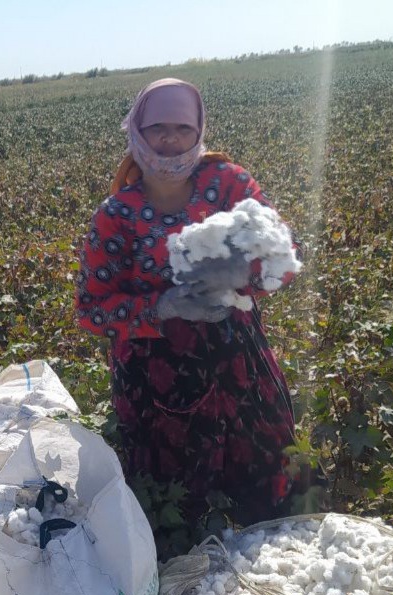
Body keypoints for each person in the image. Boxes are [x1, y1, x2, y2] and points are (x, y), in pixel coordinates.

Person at [75, 78, 299, 526]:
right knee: (176, 496)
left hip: (238, 361)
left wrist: (238, 275)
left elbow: (282, 260)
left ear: (199, 131)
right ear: (137, 132)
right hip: (154, 377)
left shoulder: (230, 185)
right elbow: (92, 310)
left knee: (262, 478)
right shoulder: (115, 215)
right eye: (158, 127)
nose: (170, 139)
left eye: (182, 128)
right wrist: (164, 306)